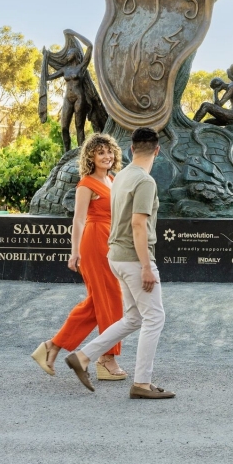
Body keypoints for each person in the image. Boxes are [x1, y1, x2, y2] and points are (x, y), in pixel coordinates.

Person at [63, 127, 175, 399]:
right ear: (157, 151)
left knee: (134, 317)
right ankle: (141, 384)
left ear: (132, 149)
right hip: (134, 258)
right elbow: (138, 224)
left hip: (114, 256)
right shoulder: (145, 181)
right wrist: (147, 266)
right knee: (155, 317)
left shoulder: (121, 176)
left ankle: (83, 356)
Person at [31, 133, 126, 380]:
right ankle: (107, 359)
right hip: (94, 243)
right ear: (91, 157)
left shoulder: (113, 179)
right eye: (100, 152)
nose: (107, 156)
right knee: (110, 298)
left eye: (109, 151)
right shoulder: (86, 184)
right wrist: (74, 252)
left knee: (97, 303)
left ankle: (52, 346)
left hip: (112, 242)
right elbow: (78, 220)